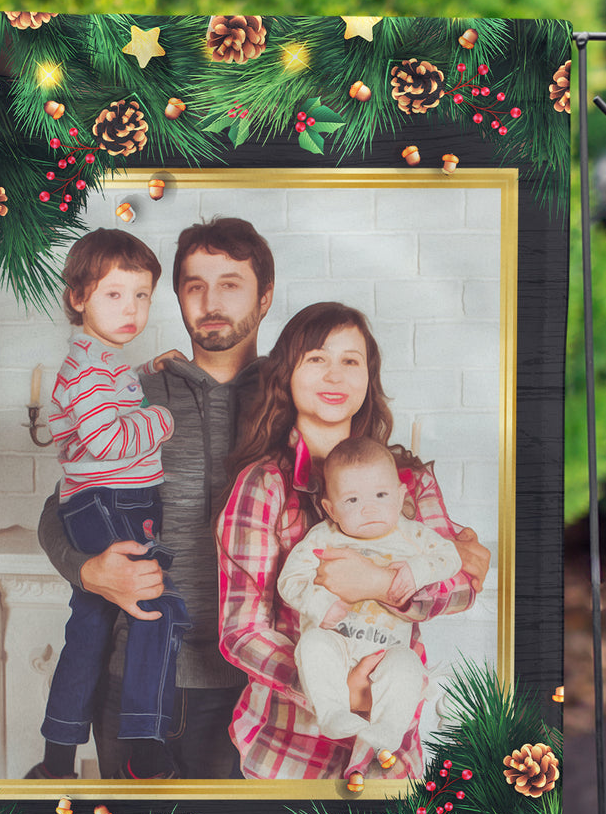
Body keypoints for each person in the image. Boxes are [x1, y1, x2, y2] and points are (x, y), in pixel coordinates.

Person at [30, 216, 275, 779]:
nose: (210, 301)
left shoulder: (290, 394)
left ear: (264, 298)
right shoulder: (137, 388)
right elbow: (60, 507)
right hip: (132, 682)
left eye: (230, 284)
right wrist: (88, 570)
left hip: (257, 688)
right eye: (194, 285)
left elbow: (353, 487)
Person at [217, 302, 491, 781]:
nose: (335, 375)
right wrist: (337, 688)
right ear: (288, 374)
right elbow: (242, 630)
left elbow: (463, 585)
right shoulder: (264, 485)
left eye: (351, 361)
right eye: (317, 359)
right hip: (288, 747)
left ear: (369, 378)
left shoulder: (408, 480)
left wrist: (381, 583)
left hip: (390, 753)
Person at [38, 228, 188, 779]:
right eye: (114, 294)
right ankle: (144, 740)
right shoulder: (91, 370)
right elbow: (107, 440)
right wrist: (161, 418)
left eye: (143, 295)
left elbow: (108, 400)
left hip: (103, 501)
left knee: (92, 626)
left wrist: (147, 375)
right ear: (79, 298)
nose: (132, 308)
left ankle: (58, 755)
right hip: (108, 504)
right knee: (154, 607)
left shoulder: (99, 363)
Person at [278, 436, 473, 765]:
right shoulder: (324, 537)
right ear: (330, 508)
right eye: (352, 500)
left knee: (408, 666)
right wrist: (320, 604)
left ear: (400, 497)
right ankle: (333, 713)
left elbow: (450, 557)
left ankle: (389, 730)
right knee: (312, 647)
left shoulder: (411, 534)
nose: (369, 508)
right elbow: (290, 580)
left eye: (381, 495)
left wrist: (416, 570)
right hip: (336, 645)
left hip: (386, 651)